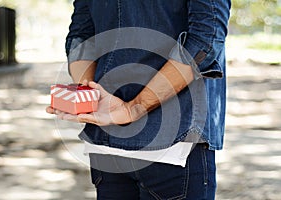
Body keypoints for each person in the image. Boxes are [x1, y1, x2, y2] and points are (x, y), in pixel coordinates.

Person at [47, 0, 231, 199]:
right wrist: (133, 108)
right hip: (175, 142)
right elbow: (205, 42)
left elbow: (80, 39)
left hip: (108, 140)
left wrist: (90, 98)